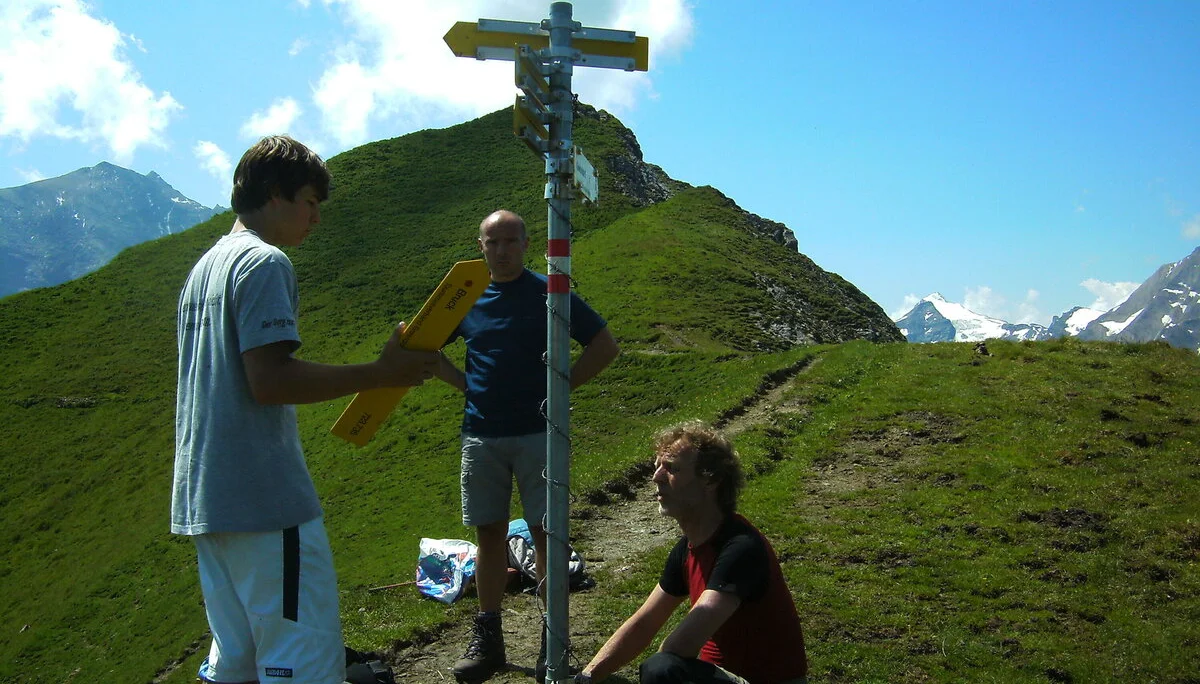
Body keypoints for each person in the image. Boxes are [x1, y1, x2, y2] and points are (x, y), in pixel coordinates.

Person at [172, 135, 440, 684]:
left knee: (237, 665)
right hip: (265, 500)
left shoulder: (205, 267)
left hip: (206, 498)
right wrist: (380, 373)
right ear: (275, 194)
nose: (317, 218)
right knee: (302, 665)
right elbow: (269, 382)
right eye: (310, 203)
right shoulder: (264, 262)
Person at [435, 209, 620, 682]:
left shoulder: (549, 292)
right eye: (492, 242)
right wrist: (461, 383)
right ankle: (489, 638)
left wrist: (561, 391)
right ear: (481, 246)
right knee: (489, 534)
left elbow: (604, 344)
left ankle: (551, 640)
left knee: (545, 533)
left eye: (510, 241)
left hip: (541, 436)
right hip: (481, 435)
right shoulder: (465, 297)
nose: (501, 250)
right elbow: (423, 344)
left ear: (525, 242)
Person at [576, 421, 808, 684]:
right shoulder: (687, 548)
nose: (656, 477)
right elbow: (644, 623)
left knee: (662, 669)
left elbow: (680, 647)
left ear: (711, 480)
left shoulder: (741, 548)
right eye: (657, 467)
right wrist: (587, 676)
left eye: (671, 468)